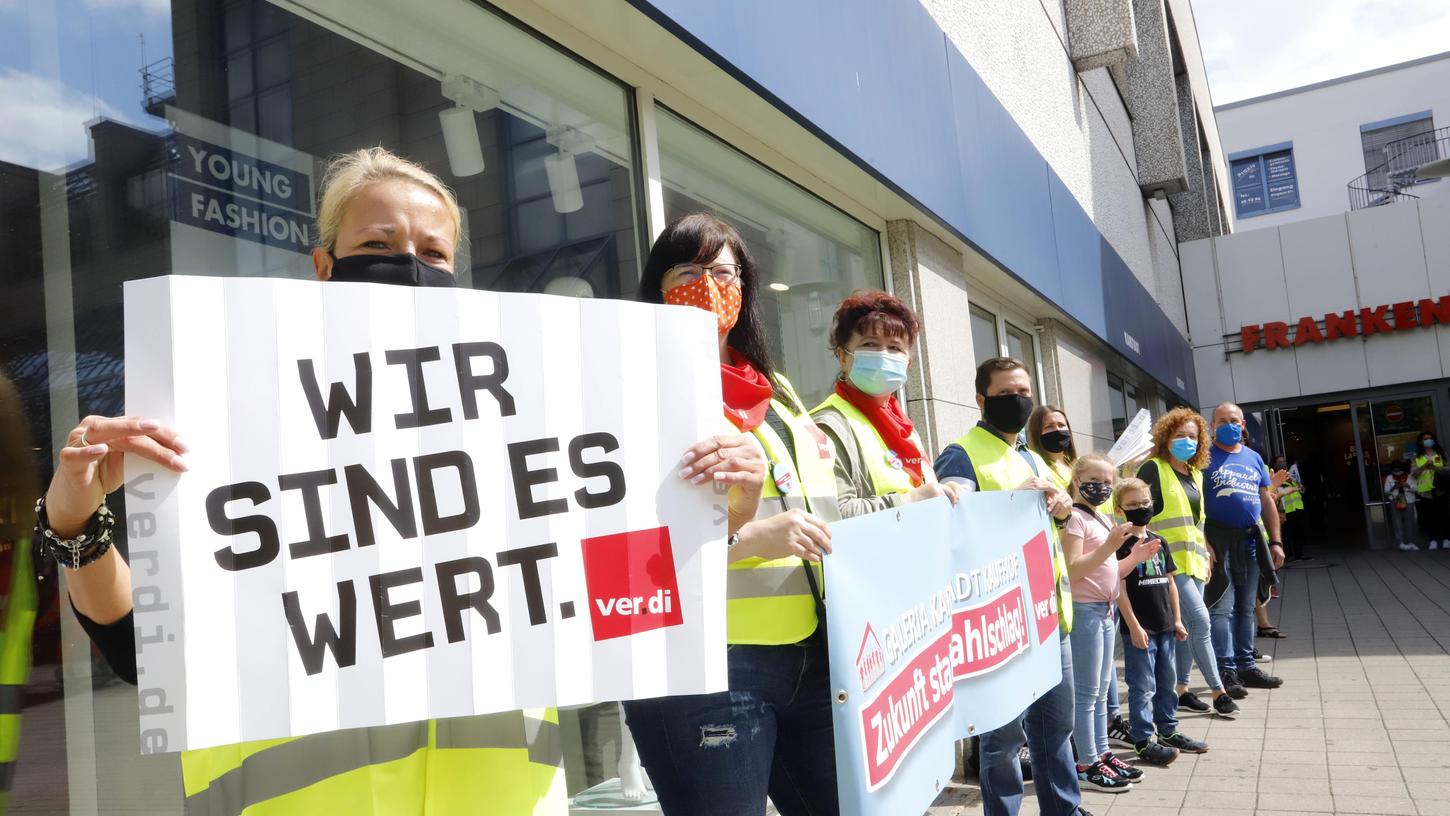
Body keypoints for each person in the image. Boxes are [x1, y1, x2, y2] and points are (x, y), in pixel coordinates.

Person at [39, 151, 770, 814]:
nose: (408, 264)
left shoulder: (522, 430)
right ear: (324, 267)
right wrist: (74, 520)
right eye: (377, 246)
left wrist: (716, 514)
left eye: (432, 251)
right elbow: (142, 650)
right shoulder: (235, 416)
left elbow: (614, 593)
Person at [622, 212, 844, 816]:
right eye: (688, 271)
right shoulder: (631, 390)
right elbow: (618, 555)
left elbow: (822, 503)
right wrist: (748, 539)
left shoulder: (775, 393)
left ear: (744, 289)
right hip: (706, 664)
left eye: (724, 272)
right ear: (657, 288)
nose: (709, 284)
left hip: (811, 652)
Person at [935, 357, 1085, 816]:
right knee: (1002, 743)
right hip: (1001, 624)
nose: (1017, 401)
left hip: (1047, 617)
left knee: (1057, 729)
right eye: (1004, 394)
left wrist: (1060, 508)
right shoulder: (961, 454)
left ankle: (1064, 809)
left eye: (1023, 391)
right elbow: (948, 534)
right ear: (981, 401)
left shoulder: (1030, 454)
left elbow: (1050, 526)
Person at [1108, 409, 1240, 724]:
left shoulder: (1195, 473)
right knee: (1201, 621)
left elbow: (1197, 522)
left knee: (1187, 629)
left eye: (1193, 436)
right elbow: (1137, 509)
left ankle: (1180, 689)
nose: (1186, 441)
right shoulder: (1155, 467)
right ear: (1166, 438)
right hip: (1166, 562)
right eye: (1180, 435)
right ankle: (1219, 691)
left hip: (1194, 561)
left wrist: (1206, 550)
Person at [810, 289, 960, 517]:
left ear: (908, 361)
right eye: (870, 344)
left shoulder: (903, 426)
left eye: (895, 348)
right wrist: (910, 500)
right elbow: (831, 514)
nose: (883, 354)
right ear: (842, 356)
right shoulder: (827, 426)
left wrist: (944, 494)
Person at [1062, 453, 1156, 791]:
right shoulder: (1074, 518)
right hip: (1085, 612)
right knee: (1087, 693)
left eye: (1107, 482)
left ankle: (1102, 753)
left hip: (1104, 611)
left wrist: (1134, 556)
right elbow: (1073, 570)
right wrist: (1111, 546)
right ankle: (1086, 761)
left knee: (1102, 692)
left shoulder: (1099, 518)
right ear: (1076, 479)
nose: (1101, 487)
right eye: (1095, 480)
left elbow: (1109, 571)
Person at [1113, 477, 1208, 765]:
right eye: (1132, 504)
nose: (1140, 508)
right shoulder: (1119, 544)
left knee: (1167, 682)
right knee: (1143, 687)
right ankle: (1143, 739)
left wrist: (1177, 620)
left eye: (1144, 503)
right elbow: (1119, 588)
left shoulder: (1159, 540)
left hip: (1166, 625)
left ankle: (1168, 730)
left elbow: (1171, 584)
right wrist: (1133, 625)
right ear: (1120, 509)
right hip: (1140, 630)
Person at [1204, 402, 1286, 695]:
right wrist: (1203, 543)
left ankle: (1246, 666)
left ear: (1242, 425)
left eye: (1234, 420)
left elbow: (1266, 501)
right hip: (1218, 543)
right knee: (1222, 609)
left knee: (1246, 608)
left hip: (1251, 542)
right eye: (1222, 420)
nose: (1229, 425)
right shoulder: (1203, 458)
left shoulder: (1253, 458)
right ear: (1213, 425)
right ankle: (1226, 671)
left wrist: (1275, 541)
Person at [1028, 405, 1077, 494]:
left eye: (1061, 425)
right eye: (1049, 426)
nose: (1057, 430)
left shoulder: (1077, 465)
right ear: (1037, 433)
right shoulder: (1035, 468)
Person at [1412, 432, 1447, 550]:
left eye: (1430, 438)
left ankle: (1447, 538)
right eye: (1425, 439)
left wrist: (1434, 466)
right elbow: (1414, 473)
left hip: (1441, 489)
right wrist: (1424, 466)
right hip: (1425, 491)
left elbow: (1446, 469)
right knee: (1429, 516)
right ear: (1421, 442)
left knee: (1444, 514)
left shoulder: (1440, 454)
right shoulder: (1417, 456)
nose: (1428, 440)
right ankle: (1432, 540)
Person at [1273, 454, 1308, 561]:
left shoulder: (1291, 476)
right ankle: (1288, 555)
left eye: (1283, 461)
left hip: (1297, 509)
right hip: (1286, 510)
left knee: (1299, 532)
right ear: (1275, 464)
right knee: (1287, 534)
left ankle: (1299, 554)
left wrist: (1301, 488)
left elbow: (1300, 490)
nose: (1282, 464)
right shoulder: (1275, 478)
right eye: (1280, 462)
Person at [1386, 461, 1421, 551]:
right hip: (1396, 500)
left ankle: (1411, 542)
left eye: (1399, 470)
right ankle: (1400, 542)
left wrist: (1407, 486)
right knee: (1397, 523)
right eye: (1395, 470)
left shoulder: (1410, 477)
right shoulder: (1389, 478)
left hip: (1409, 500)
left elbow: (1416, 489)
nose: (1397, 472)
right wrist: (1394, 487)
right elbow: (1386, 492)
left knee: (1410, 522)